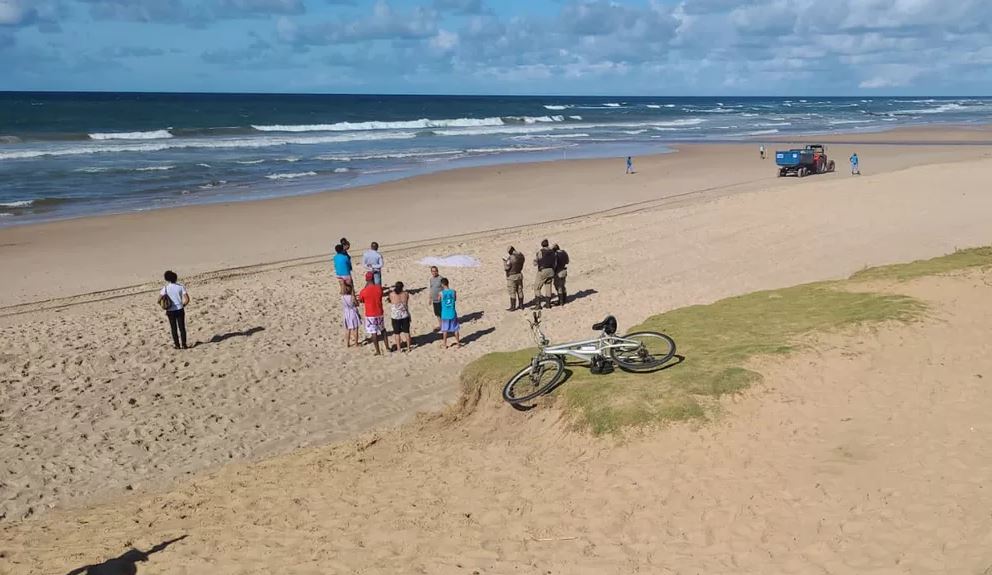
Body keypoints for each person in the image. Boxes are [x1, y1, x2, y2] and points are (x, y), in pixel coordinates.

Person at [160, 270, 190, 350]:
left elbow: (159, 299)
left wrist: (164, 306)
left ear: (167, 279)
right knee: (182, 328)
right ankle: (184, 345)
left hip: (170, 310)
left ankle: (177, 345)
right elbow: (187, 299)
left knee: (173, 328)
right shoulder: (180, 286)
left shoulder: (165, 288)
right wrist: (183, 305)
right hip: (180, 309)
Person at [357, 271, 385, 355]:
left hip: (370, 313)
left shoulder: (364, 291)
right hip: (379, 311)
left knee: (374, 332)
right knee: (383, 330)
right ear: (373, 278)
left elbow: (361, 300)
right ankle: (387, 347)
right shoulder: (379, 288)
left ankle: (378, 351)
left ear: (366, 279)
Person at [389, 281, 412, 353]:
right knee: (407, 332)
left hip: (395, 316)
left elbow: (391, 300)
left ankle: (399, 349)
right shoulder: (406, 294)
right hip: (404, 314)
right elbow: (406, 304)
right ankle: (408, 347)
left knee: (397, 333)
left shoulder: (392, 294)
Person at [437, 277, 461, 348]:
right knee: (456, 329)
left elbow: (438, 300)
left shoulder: (441, 293)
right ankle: (458, 343)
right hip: (452, 312)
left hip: (445, 313)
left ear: (442, 284)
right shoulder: (453, 291)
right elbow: (455, 299)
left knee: (445, 330)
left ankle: (445, 344)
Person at [533, 239, 555, 310]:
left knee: (537, 287)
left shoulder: (540, 252)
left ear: (542, 245)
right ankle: (548, 304)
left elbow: (535, 263)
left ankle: (538, 305)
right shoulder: (552, 251)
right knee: (548, 287)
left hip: (543, 271)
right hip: (551, 271)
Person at [503, 246, 525, 311]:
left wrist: (504, 261)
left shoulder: (511, 258)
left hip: (512, 276)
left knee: (512, 291)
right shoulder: (521, 256)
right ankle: (521, 305)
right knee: (520, 290)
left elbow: (507, 267)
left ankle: (513, 307)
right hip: (519, 274)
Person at [341, 282, 361, 348]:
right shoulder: (352, 297)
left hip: (346, 313)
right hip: (353, 313)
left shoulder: (342, 297)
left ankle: (347, 344)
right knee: (355, 329)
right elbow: (357, 304)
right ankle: (356, 343)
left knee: (347, 329)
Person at [428, 265, 443, 332]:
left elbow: (444, 289)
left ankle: (444, 326)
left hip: (441, 299)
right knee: (437, 314)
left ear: (437, 271)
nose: (434, 272)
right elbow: (431, 289)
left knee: (442, 313)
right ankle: (441, 325)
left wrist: (442, 296)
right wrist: (430, 298)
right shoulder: (431, 279)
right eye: (432, 271)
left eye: (435, 271)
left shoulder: (441, 278)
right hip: (434, 299)